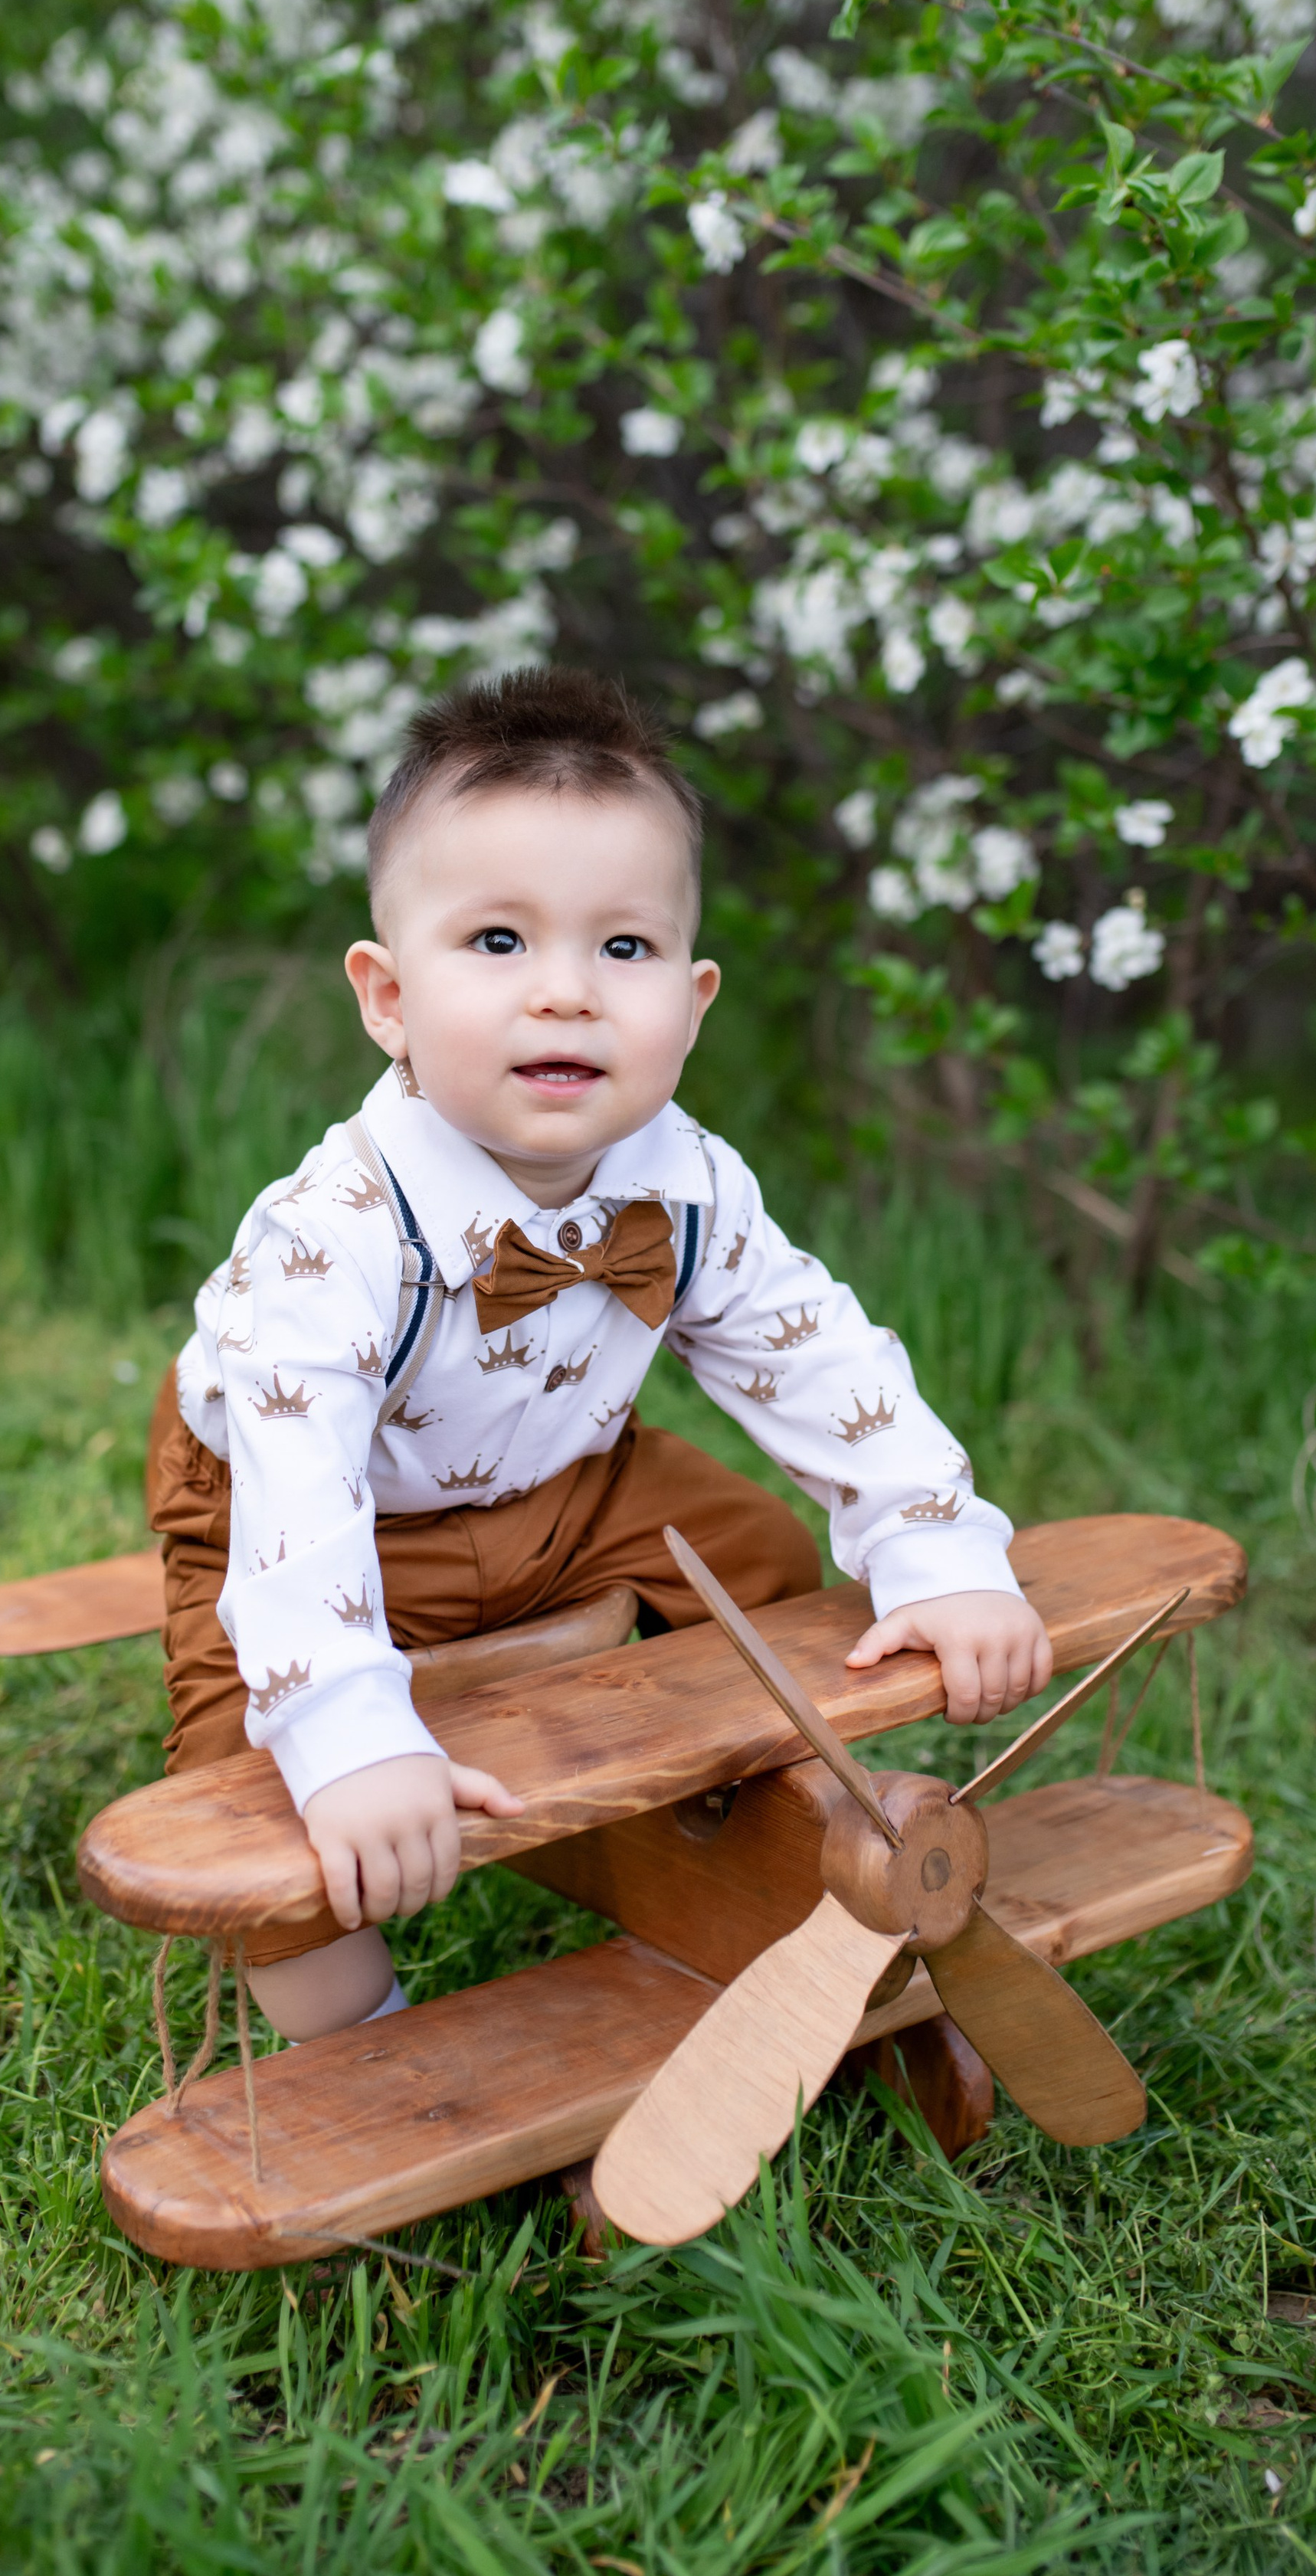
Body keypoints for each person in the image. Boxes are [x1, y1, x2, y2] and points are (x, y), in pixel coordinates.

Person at [149, 668, 1051, 2041]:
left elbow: (815, 1355)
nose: (566, 994)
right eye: (498, 941)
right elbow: (299, 1493)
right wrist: (344, 1730)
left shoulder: (686, 1182)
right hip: (303, 1507)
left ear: (693, 1001)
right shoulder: (332, 1235)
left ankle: (730, 1812)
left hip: (570, 1482)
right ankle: (370, 2049)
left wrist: (935, 1546)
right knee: (250, 1784)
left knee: (753, 1558)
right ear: (388, 996)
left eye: (624, 948)